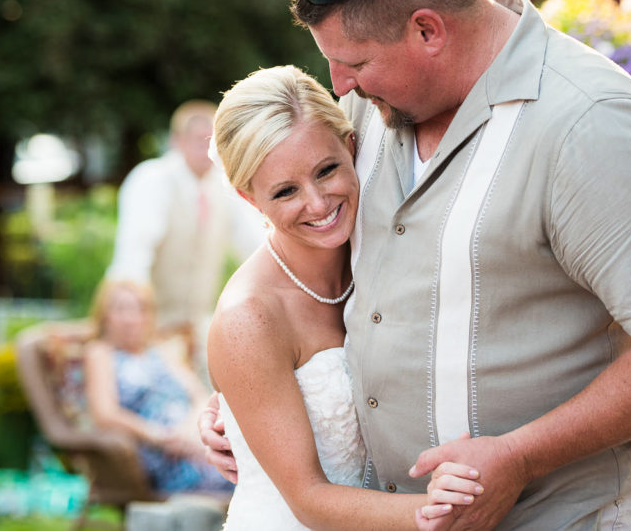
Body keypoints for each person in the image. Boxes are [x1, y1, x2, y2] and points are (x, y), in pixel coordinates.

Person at [201, 0, 631, 530]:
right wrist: (249, 399)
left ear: (428, 30)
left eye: (352, 62)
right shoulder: (369, 111)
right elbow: (306, 251)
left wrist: (518, 456)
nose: (339, 83)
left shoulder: (585, 125)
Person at [207, 65, 483, 530]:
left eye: (327, 170)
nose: (317, 204)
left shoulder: (376, 254)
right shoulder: (249, 317)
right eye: (285, 191)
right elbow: (307, 499)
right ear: (250, 199)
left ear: (351, 146)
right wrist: (438, 509)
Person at [106, 100, 264, 374]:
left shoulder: (226, 187)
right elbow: (135, 255)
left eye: (213, 141)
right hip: (151, 326)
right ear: (176, 141)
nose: (208, 150)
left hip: (200, 327)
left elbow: (257, 249)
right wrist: (134, 326)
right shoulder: (152, 180)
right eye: (198, 141)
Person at [83, 278, 233, 495]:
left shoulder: (161, 351)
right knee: (240, 474)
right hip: (158, 451)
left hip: (192, 438)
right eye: (121, 309)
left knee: (247, 466)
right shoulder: (100, 353)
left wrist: (190, 431)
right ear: (105, 315)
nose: (131, 318)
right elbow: (105, 414)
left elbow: (201, 397)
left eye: (139, 309)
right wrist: (160, 436)